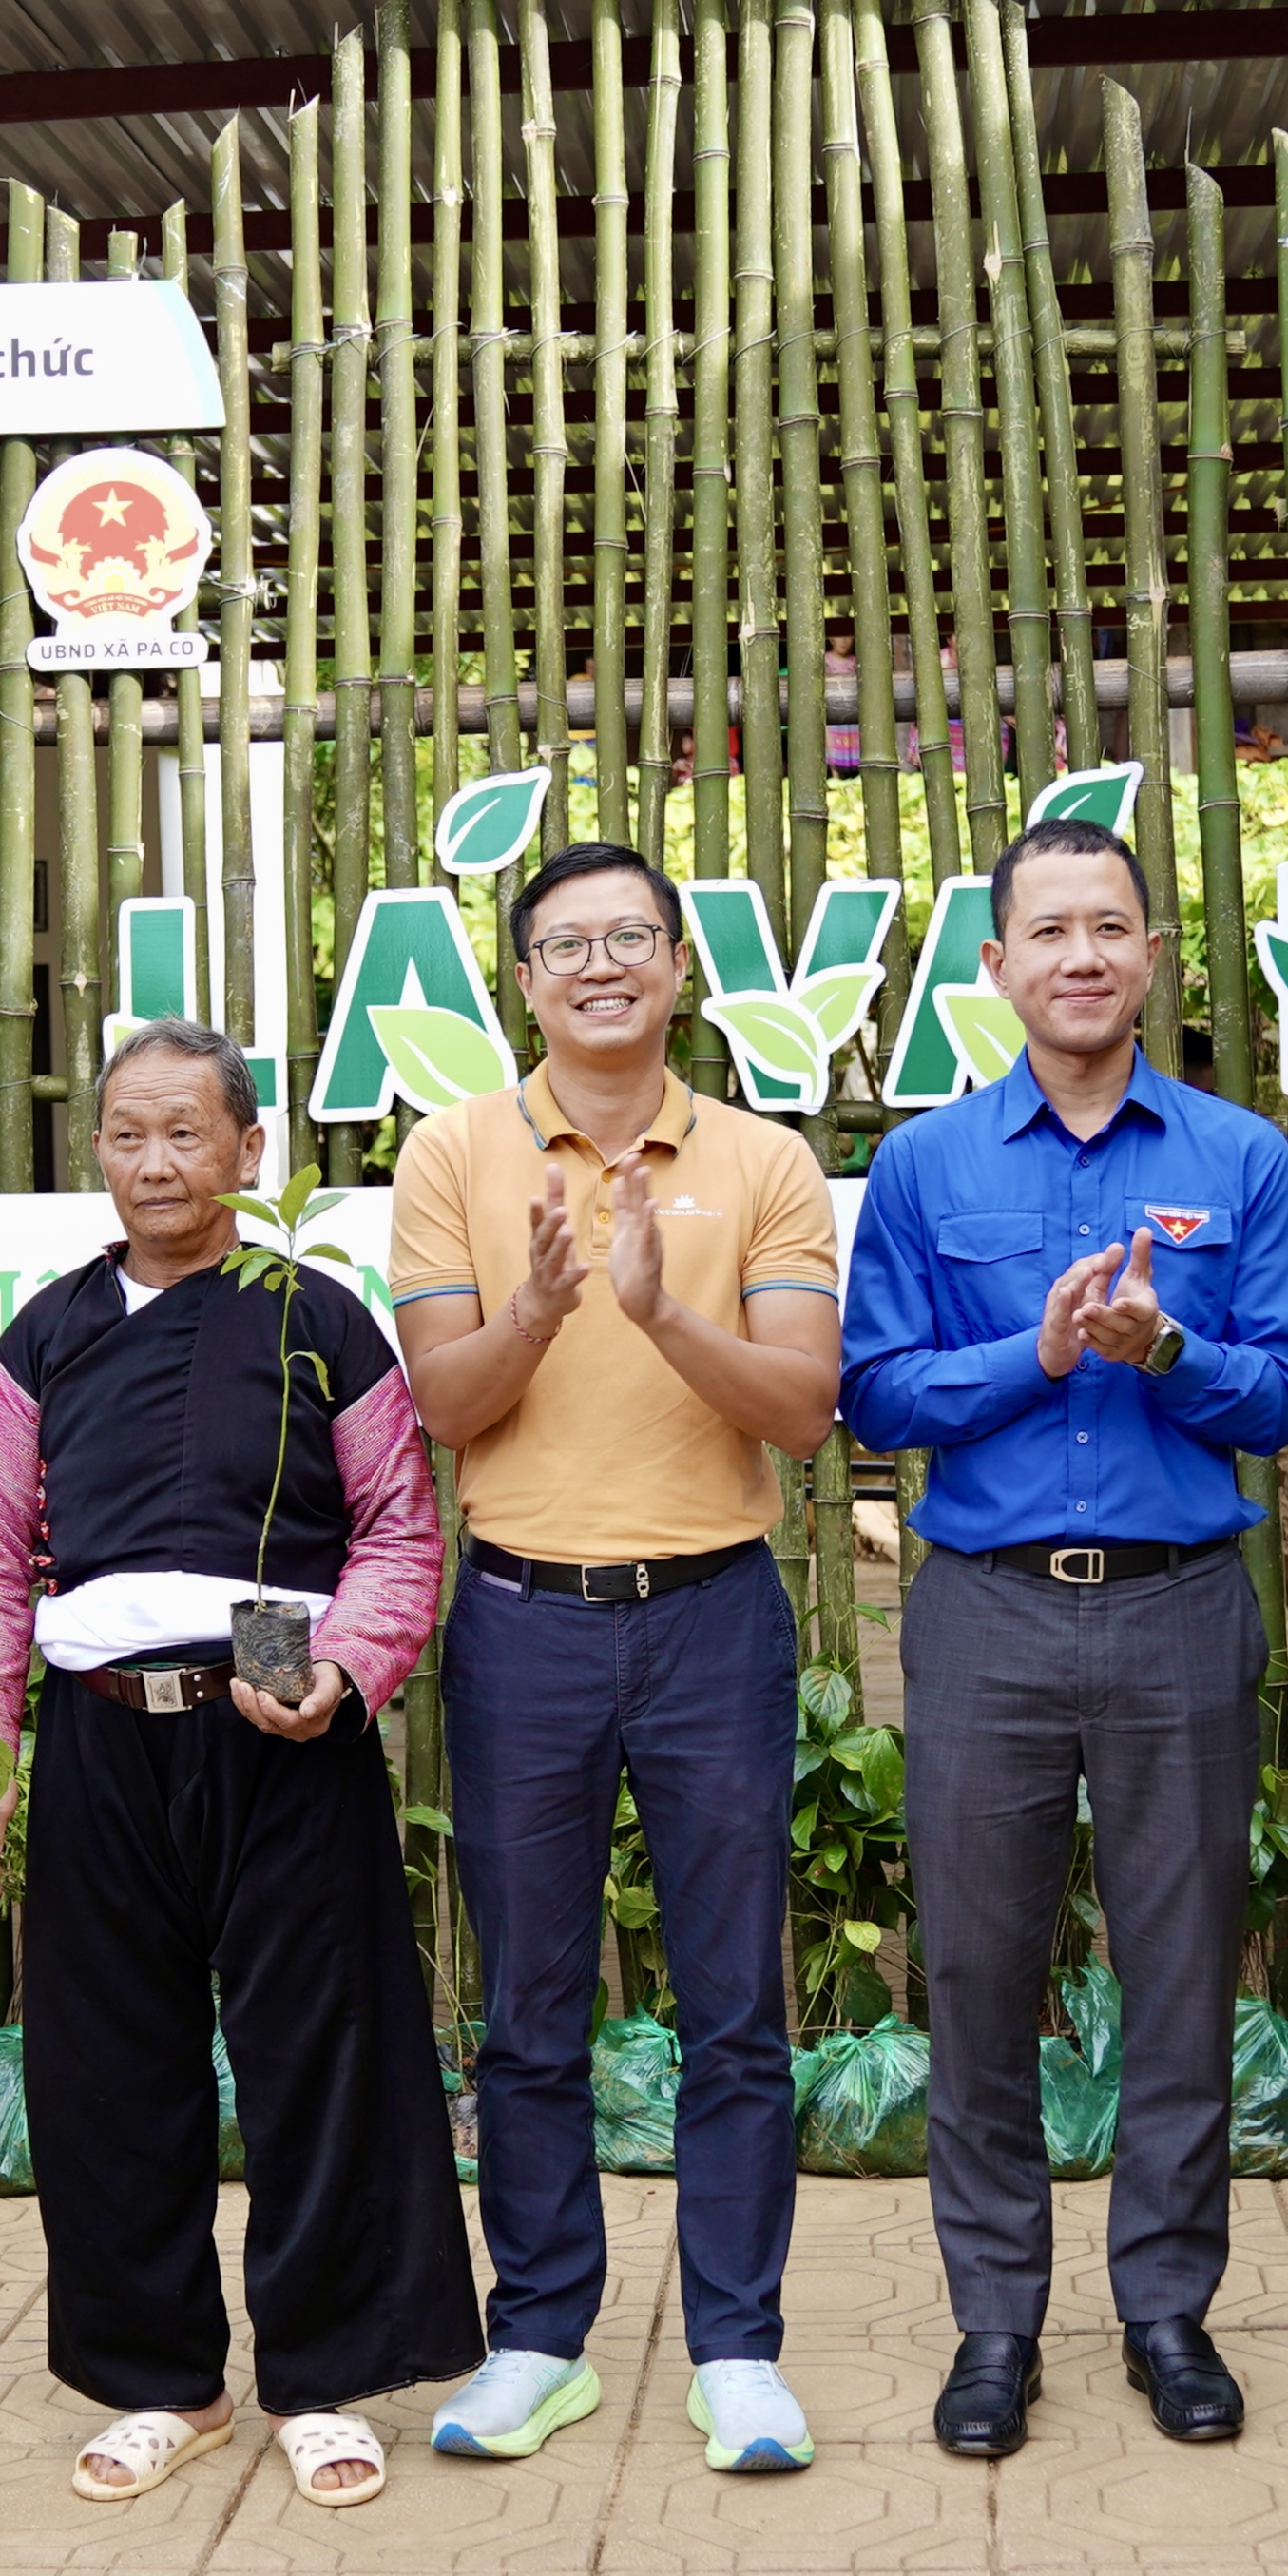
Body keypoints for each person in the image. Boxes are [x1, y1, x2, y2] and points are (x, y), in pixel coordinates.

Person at [0, 1019, 482, 2510]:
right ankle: (159, 2377)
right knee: (109, 2068)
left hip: (281, 1729)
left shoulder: (319, 1321)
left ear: (249, 1152)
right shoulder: (46, 1332)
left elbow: (396, 1529)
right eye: (125, 1134)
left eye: (185, 1133)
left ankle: (323, 2374)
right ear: (95, 1153)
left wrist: (346, 1671)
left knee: (321, 2052)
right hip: (102, 1733)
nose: (153, 1162)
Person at [837, 820, 1288, 2462]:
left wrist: (1168, 1343)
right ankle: (994, 2323)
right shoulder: (926, 1165)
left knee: (1178, 1969)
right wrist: (1032, 1356)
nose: (1082, 956)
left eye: (1110, 925)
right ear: (997, 965)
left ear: (1153, 952)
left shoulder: (1240, 1157)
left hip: (1182, 1603)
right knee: (975, 1969)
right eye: (1048, 931)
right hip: (986, 1610)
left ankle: (1168, 2311)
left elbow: (1279, 1390)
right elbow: (875, 1394)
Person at [392, 841, 846, 2475]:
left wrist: (659, 1310)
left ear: (676, 964)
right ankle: (539, 2334)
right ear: (524, 980)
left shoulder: (761, 1159)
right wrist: (539, 1310)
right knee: (530, 2006)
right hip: (523, 1618)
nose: (600, 964)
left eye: (631, 937)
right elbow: (443, 1409)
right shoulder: (453, 1152)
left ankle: (736, 2345)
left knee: (734, 2003)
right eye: (566, 943)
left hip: (713, 1615)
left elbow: (803, 1407)